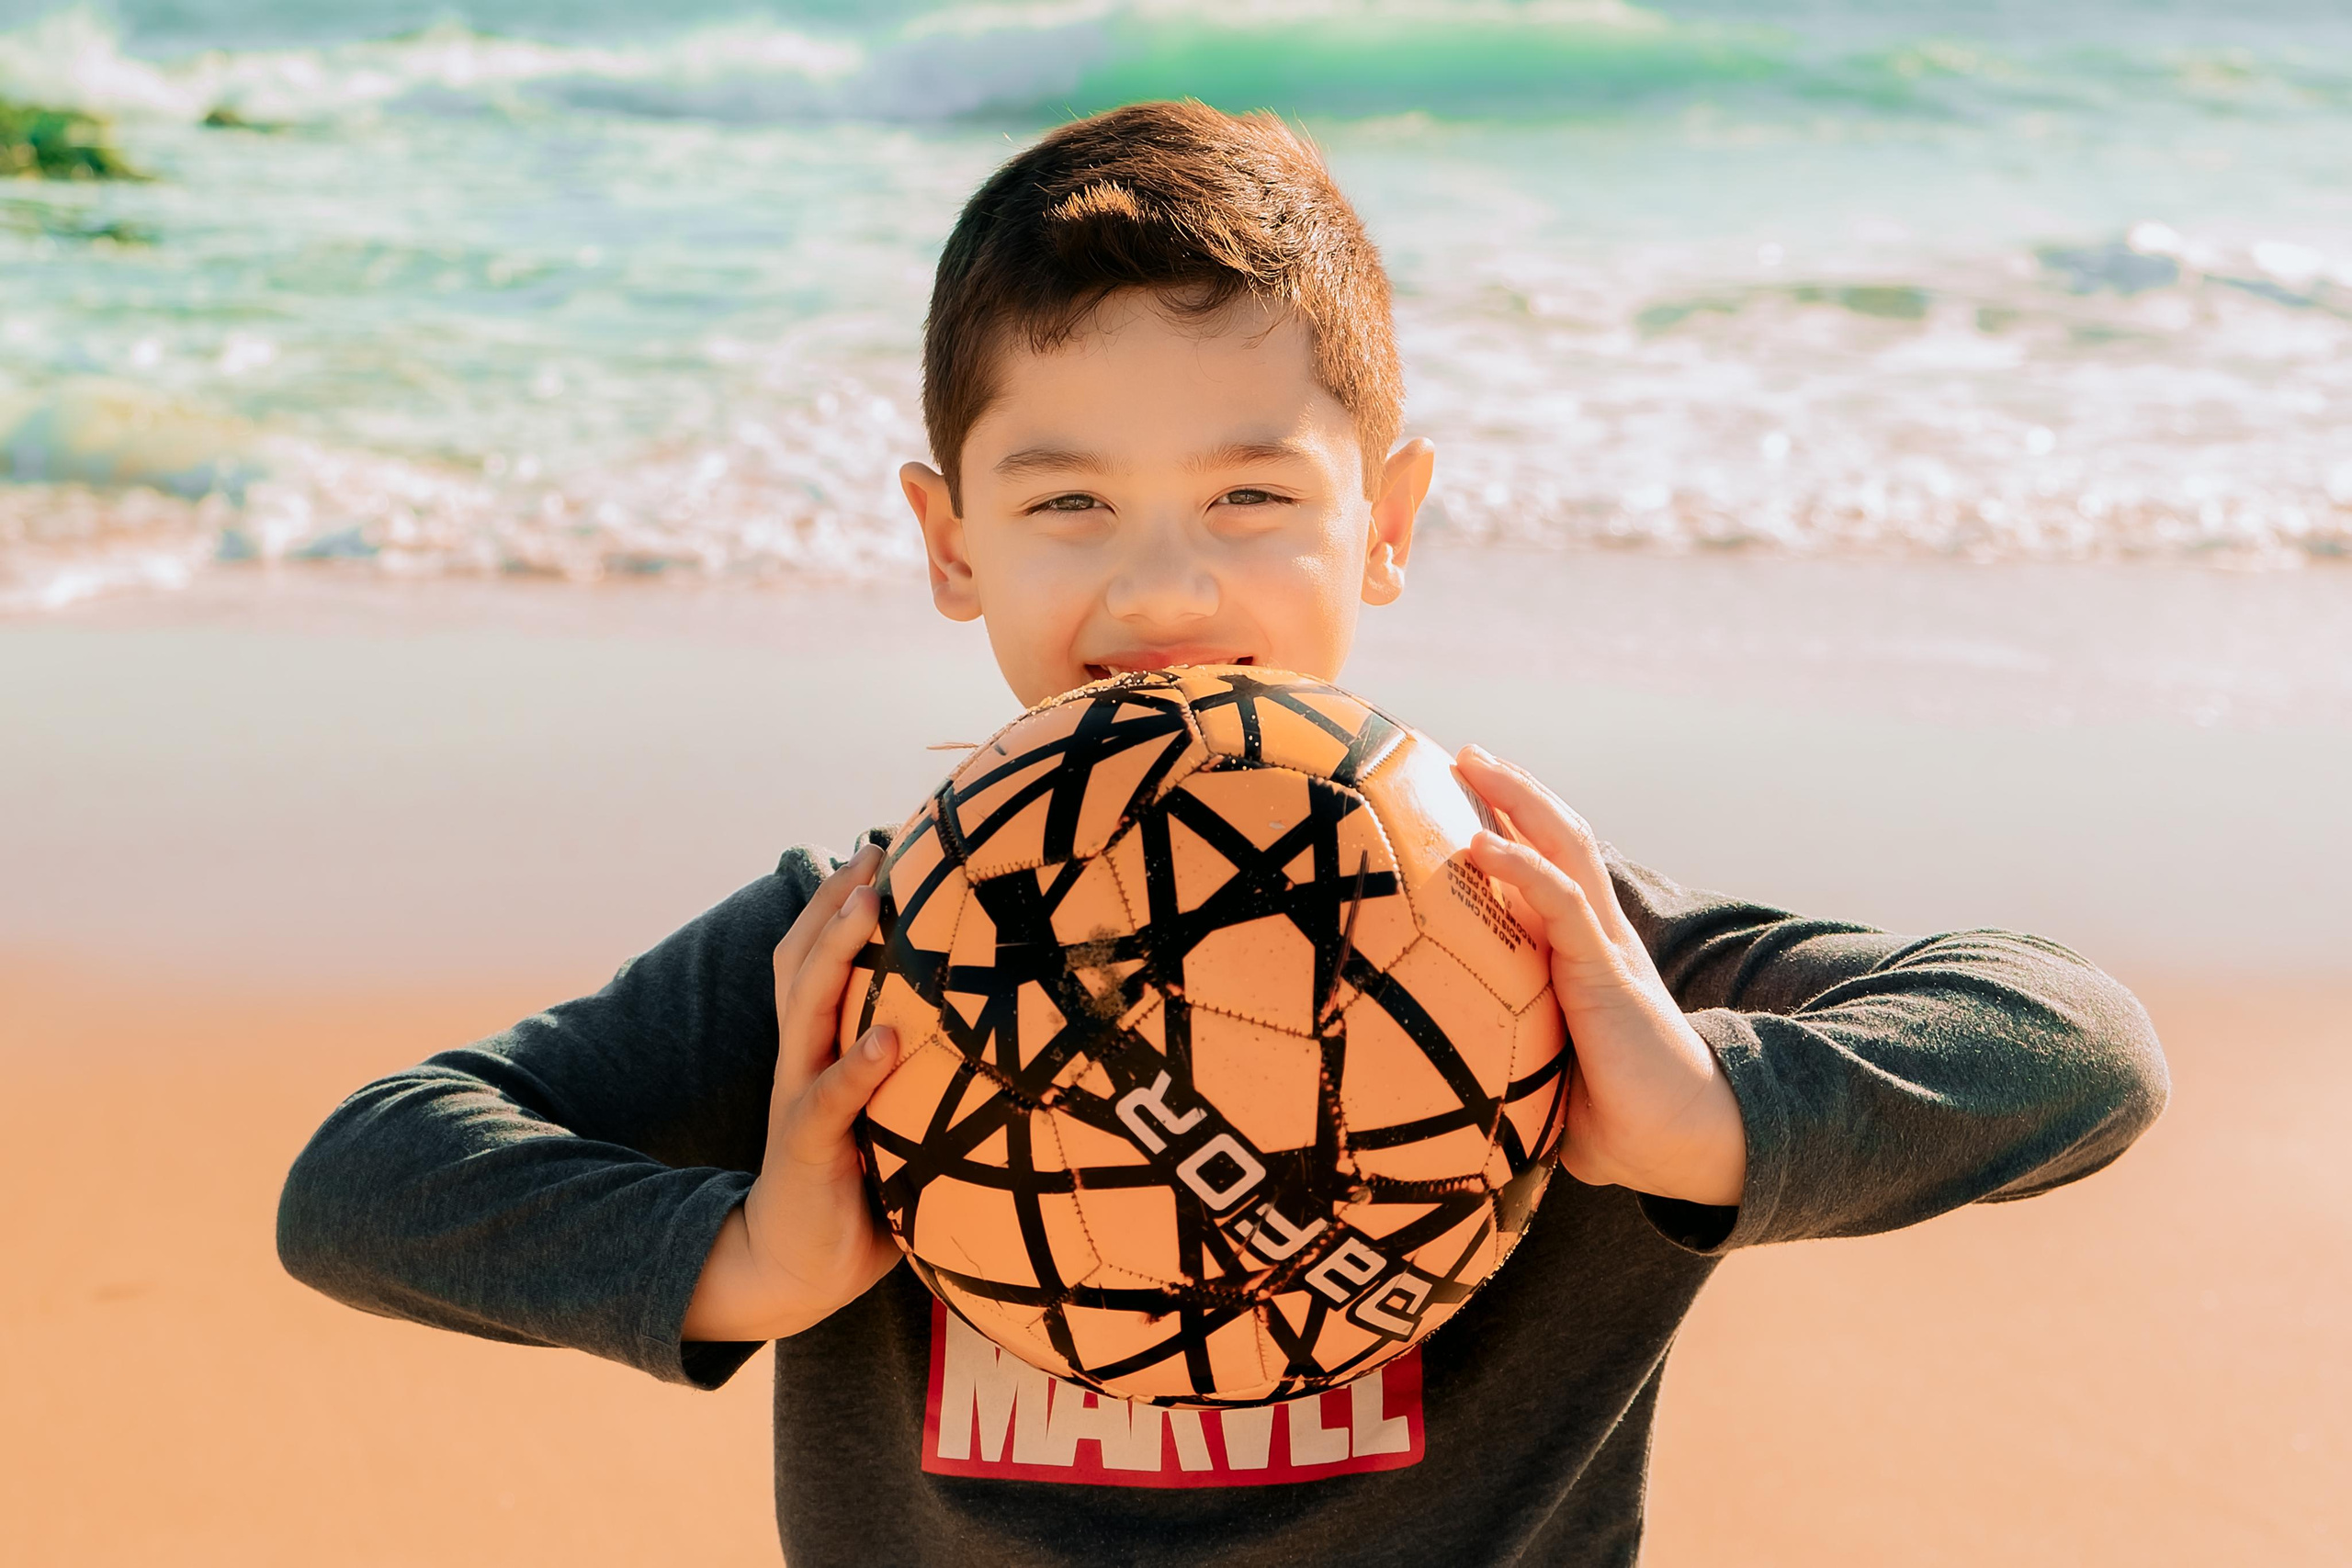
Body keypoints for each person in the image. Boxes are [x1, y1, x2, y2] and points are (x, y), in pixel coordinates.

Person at [278, 101, 2168, 1566]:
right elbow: (361, 1180)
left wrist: (1701, 1109)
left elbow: (2076, 1046)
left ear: (1387, 519)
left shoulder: (1540, 928)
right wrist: (747, 1252)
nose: (1161, 582)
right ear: (952, 542)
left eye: (1251, 493)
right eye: (1067, 500)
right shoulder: (858, 946)